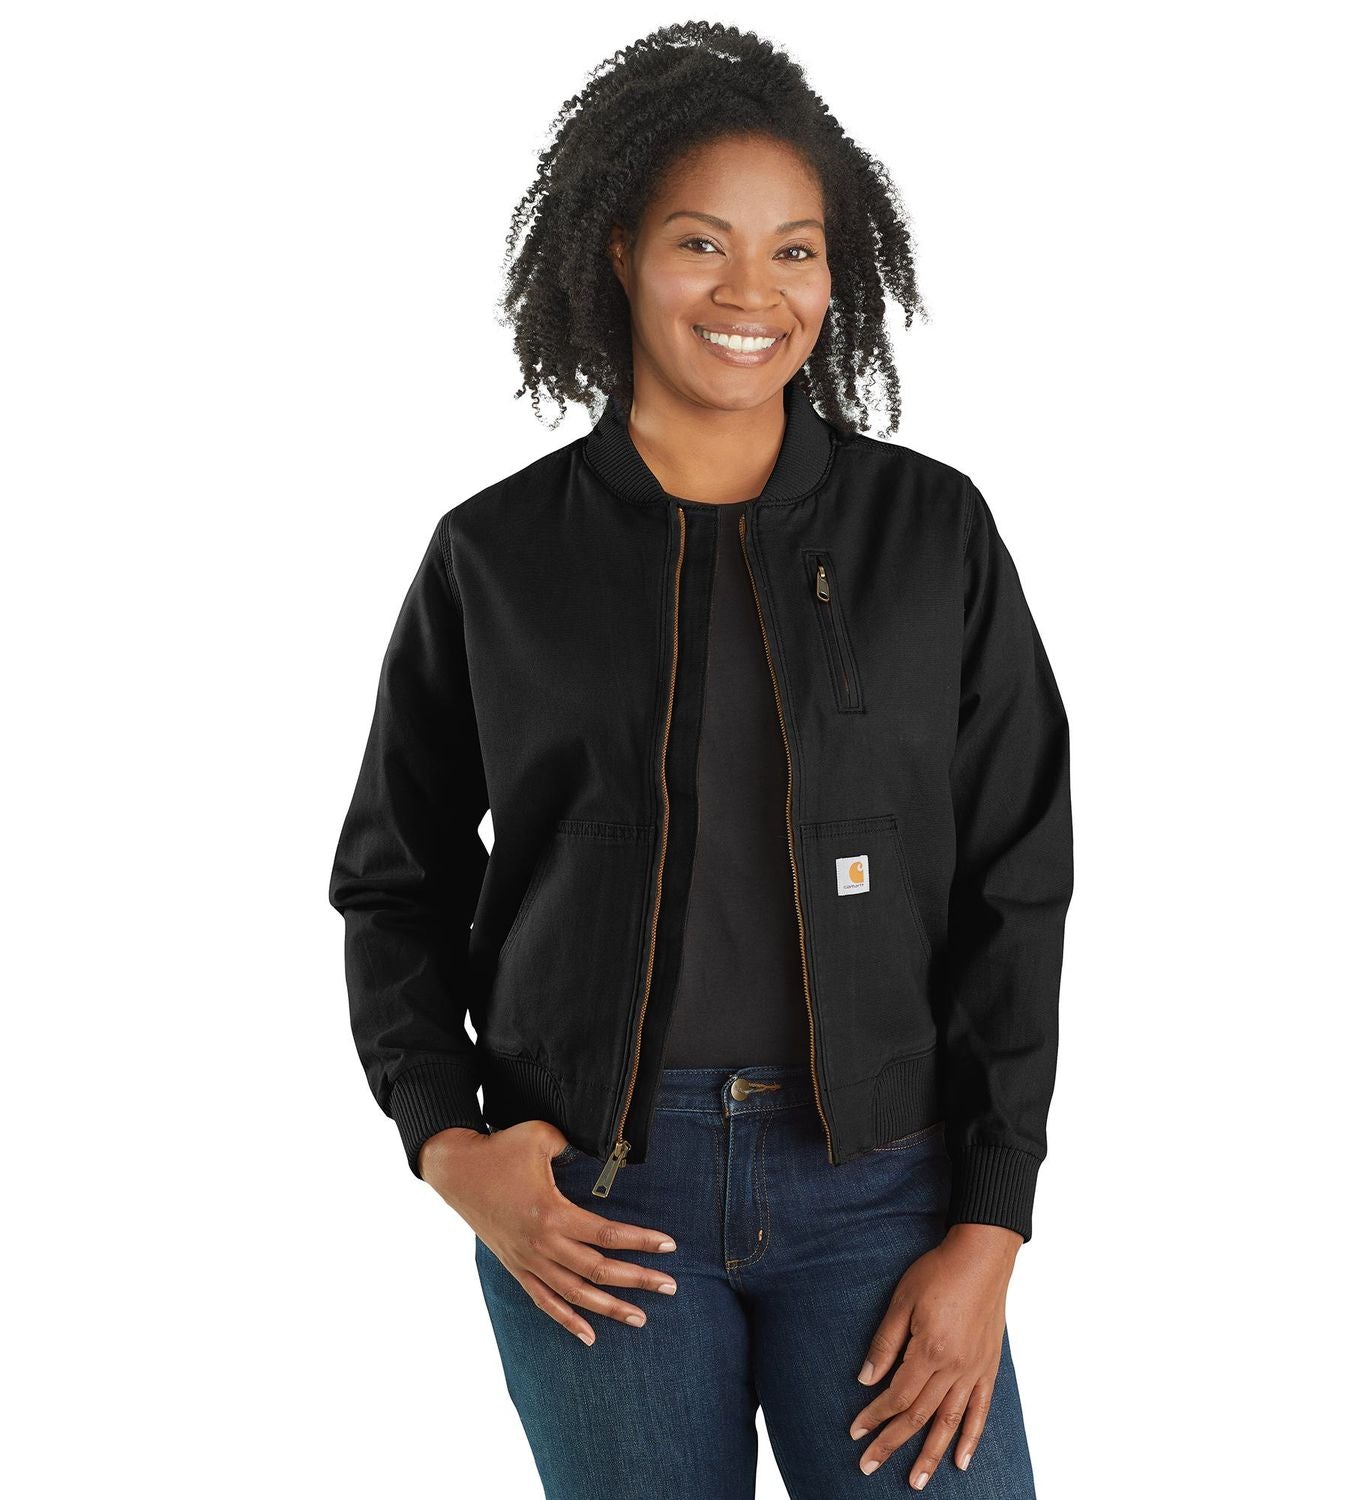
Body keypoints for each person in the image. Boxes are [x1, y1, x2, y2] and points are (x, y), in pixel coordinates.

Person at [328, 21, 1074, 1498]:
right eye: (700, 244)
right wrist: (449, 1143)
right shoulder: (497, 556)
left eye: (795, 251)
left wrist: (991, 1225)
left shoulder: (932, 536)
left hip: (887, 1185)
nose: (752, 293)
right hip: (596, 1198)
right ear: (618, 253)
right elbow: (394, 880)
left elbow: (1018, 878)